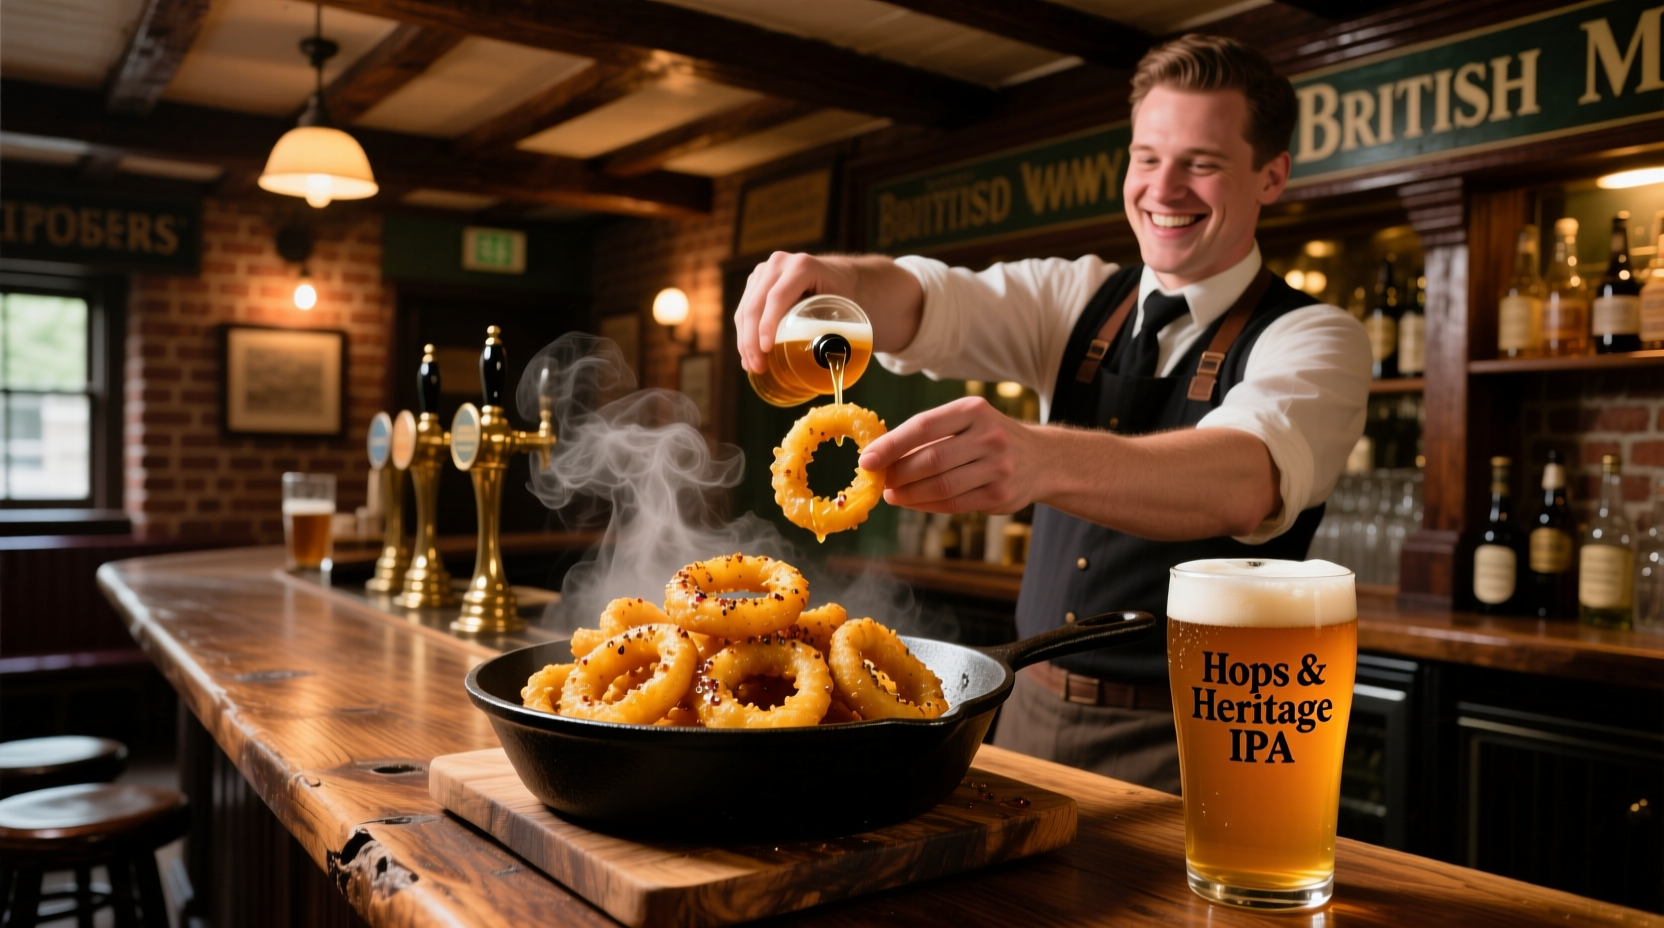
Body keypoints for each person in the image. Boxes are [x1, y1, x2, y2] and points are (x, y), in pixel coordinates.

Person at [733, 34, 1371, 793]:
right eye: (1146, 157)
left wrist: (1034, 458)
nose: (1163, 189)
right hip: (1026, 713)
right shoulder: (1076, 297)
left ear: (1272, 177)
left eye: (1201, 163)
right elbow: (925, 301)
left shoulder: (1316, 336)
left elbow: (1244, 478)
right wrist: (836, 278)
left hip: (1200, 735)